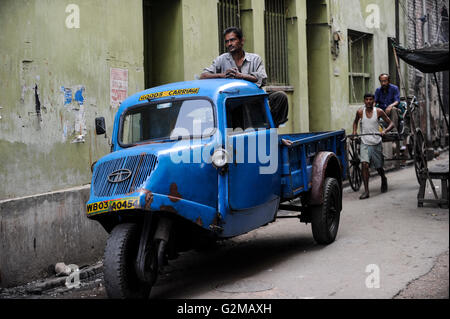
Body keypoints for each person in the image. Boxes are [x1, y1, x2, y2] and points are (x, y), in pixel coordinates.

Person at [200, 27, 288, 128]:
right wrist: (222, 75)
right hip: (232, 100)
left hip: (254, 97)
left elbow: (263, 79)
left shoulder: (255, 59)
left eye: (232, 40)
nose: (229, 44)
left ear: (241, 41)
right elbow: (203, 76)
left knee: (280, 97)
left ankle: (272, 128)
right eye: (227, 41)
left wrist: (241, 76)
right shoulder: (221, 59)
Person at [352, 93, 394, 200]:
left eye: (371, 99)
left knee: (379, 166)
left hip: (376, 142)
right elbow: (355, 122)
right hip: (364, 142)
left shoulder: (379, 111)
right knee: (364, 164)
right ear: (364, 101)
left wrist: (385, 130)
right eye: (367, 99)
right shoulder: (360, 112)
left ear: (373, 101)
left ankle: (383, 178)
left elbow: (391, 123)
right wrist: (354, 131)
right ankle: (366, 191)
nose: (369, 101)